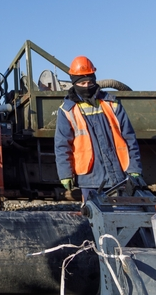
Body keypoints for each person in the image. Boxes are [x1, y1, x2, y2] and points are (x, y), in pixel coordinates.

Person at [54, 56, 142, 201]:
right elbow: (62, 146)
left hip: (118, 174)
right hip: (89, 178)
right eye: (82, 83)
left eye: (90, 82)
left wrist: (134, 168)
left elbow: (130, 138)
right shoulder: (67, 110)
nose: (87, 86)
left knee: (121, 216)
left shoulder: (111, 104)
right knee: (94, 218)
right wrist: (65, 173)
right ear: (75, 83)